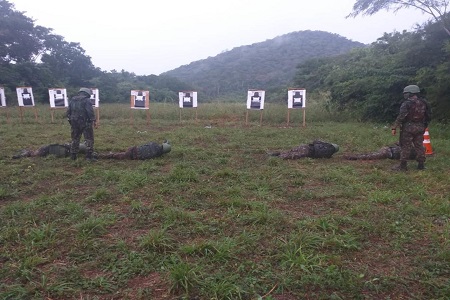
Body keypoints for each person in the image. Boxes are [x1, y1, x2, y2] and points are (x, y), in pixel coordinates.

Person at [391, 85, 431, 171]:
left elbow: (401, 116)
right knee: (419, 146)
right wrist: (424, 126)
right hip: (420, 127)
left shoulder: (406, 103)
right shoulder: (424, 102)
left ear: (410, 93)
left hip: (408, 128)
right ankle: (421, 165)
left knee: (406, 146)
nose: (405, 95)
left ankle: (403, 166)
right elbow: (428, 115)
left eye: (406, 93)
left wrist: (394, 127)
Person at [66, 88, 97, 161]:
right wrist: (93, 120)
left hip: (74, 122)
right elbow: (90, 111)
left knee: (75, 139)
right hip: (85, 122)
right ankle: (89, 157)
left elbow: (68, 112)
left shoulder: (73, 99)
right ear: (87, 93)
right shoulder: (87, 100)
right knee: (89, 139)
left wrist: (71, 120)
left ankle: (73, 156)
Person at [97, 140, 171, 160]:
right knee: (119, 154)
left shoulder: (154, 144)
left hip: (133, 151)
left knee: (114, 155)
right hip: (134, 155)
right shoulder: (157, 155)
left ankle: (99, 156)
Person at [270, 140, 339, 159]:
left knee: (291, 151)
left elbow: (315, 141)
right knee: (292, 155)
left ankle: (276, 154)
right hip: (308, 153)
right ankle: (277, 157)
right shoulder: (329, 155)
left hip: (307, 147)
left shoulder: (326, 145)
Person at [343, 142, 416, 160]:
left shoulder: (412, 148)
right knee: (370, 155)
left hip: (389, 152)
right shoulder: (414, 152)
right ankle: (352, 156)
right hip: (389, 152)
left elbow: (398, 143)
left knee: (369, 155)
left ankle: (352, 156)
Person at [12, 142, 88, 159]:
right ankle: (24, 153)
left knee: (35, 153)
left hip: (51, 149)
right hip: (51, 149)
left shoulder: (77, 146)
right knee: (35, 154)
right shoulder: (81, 147)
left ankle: (24, 153)